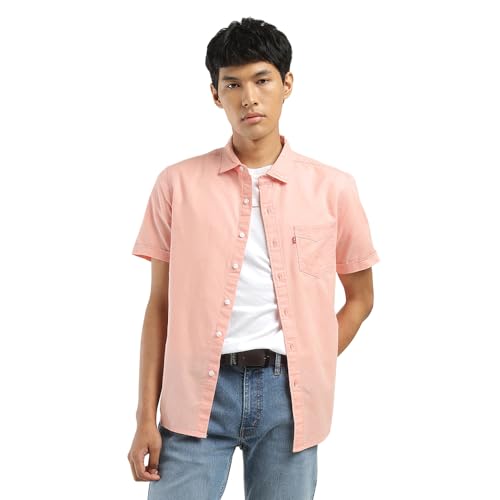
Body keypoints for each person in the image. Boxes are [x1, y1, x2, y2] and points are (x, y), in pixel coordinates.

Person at [127, 16, 380, 500]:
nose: (249, 98)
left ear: (287, 84)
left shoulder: (334, 189)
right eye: (233, 84)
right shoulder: (177, 185)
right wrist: (144, 417)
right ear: (215, 94)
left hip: (291, 401)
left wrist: (311, 359)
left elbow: (361, 298)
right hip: (195, 397)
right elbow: (159, 305)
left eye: (262, 80)